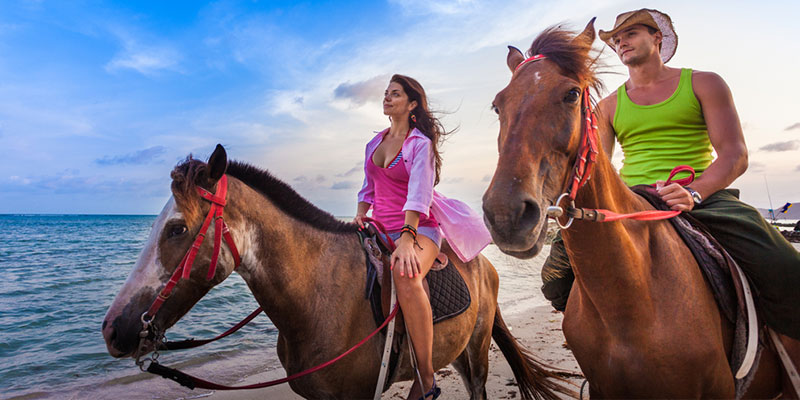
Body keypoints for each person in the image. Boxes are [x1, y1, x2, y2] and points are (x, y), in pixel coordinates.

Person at [541, 9, 800, 341]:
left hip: (702, 197)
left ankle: (781, 353)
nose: (621, 43)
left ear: (657, 38)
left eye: (630, 34)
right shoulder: (606, 106)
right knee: (555, 278)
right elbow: (597, 169)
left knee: (785, 268)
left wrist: (695, 192)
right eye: (616, 39)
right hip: (630, 199)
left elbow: (735, 154)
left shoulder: (704, 83)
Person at [354, 74, 492, 399]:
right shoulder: (373, 143)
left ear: (412, 103)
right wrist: (360, 215)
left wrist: (407, 237)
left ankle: (426, 378)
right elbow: (368, 187)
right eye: (386, 93)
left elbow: (418, 194)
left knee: (406, 273)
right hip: (379, 225)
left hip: (420, 228)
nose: (387, 98)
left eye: (396, 94)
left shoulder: (420, 144)